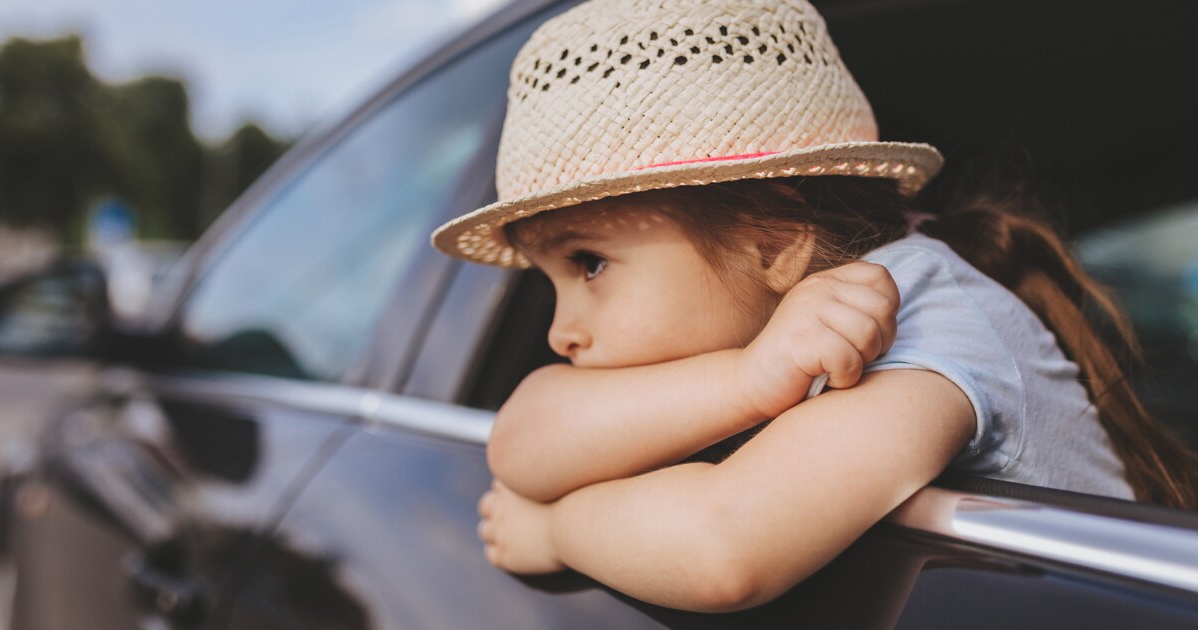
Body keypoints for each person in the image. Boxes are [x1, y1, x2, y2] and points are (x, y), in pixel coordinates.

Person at [429, 0, 1198, 612]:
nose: (562, 331)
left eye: (589, 263)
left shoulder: (921, 310)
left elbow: (723, 549)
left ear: (772, 244)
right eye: (548, 281)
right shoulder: (762, 343)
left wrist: (557, 531)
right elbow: (520, 444)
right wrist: (745, 378)